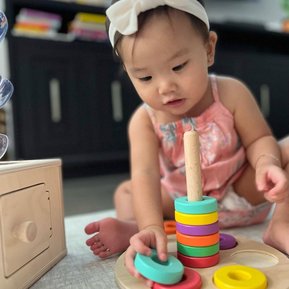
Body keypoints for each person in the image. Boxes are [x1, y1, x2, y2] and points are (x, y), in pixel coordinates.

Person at [85, 0, 289, 284]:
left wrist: (267, 163)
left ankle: (281, 226)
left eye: (178, 66)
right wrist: (151, 224)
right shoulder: (144, 121)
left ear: (208, 49)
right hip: (182, 208)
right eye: (144, 76)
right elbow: (146, 174)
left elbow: (260, 139)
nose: (165, 86)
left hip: (242, 190)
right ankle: (143, 232)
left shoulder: (231, 93)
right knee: (129, 191)